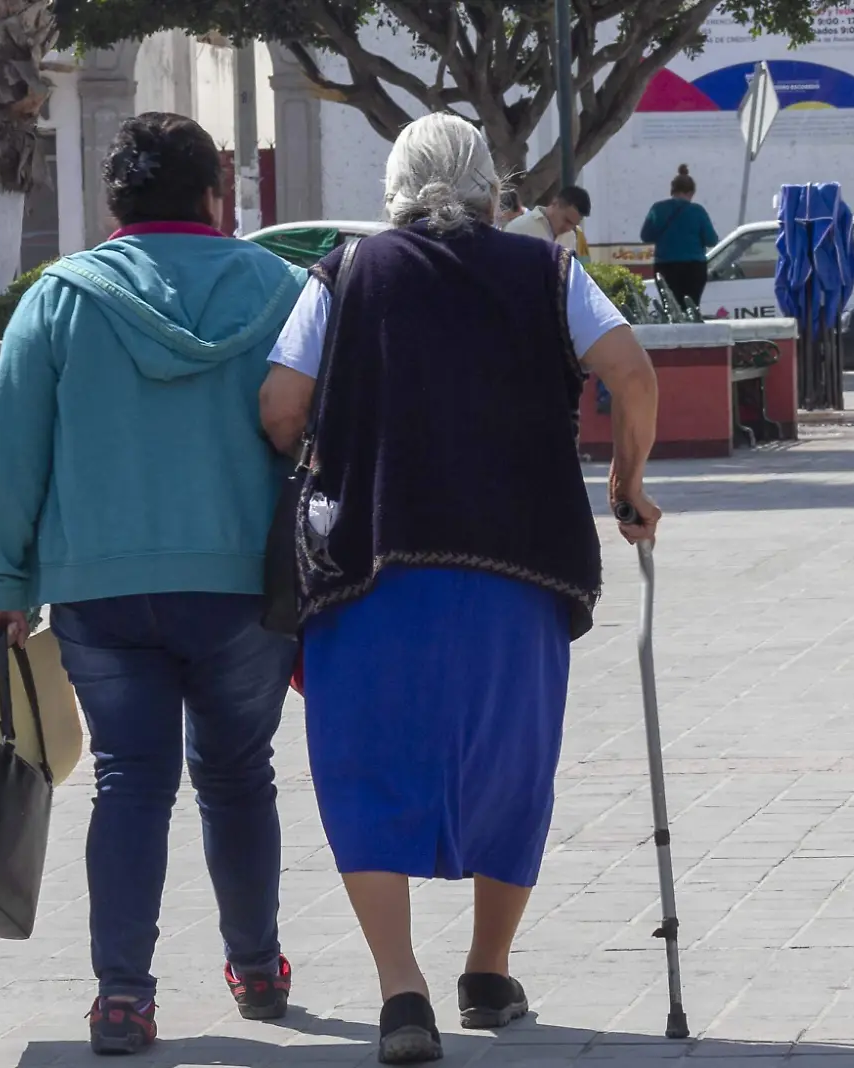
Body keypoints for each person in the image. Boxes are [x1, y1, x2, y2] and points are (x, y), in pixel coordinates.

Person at [258, 112, 660, 1066]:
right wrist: (627, 482)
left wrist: (314, 454)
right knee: (509, 763)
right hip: (515, 565)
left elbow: (280, 401)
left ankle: (403, 994)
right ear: (492, 187)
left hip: (372, 560)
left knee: (363, 766)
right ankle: (488, 968)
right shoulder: (548, 271)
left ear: (394, 187)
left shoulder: (347, 275)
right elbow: (633, 374)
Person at [0, 113, 305, 1056]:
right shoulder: (281, 291)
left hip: (101, 593)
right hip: (245, 585)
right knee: (240, 777)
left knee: (130, 783)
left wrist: (5, 581)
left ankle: (124, 998)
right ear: (213, 198)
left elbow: (12, 460)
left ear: (116, 201)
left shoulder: (59, 299)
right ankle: (257, 967)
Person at [641, 164, 720, 309]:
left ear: (673, 190)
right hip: (694, 267)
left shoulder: (658, 209)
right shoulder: (698, 211)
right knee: (691, 307)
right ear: (691, 192)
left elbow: (645, 236)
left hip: (665, 267)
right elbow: (711, 240)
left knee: (671, 308)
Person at [505, 184, 590, 251]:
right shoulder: (518, 228)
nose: (568, 228)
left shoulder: (570, 237)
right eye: (567, 220)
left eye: (573, 225)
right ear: (555, 203)